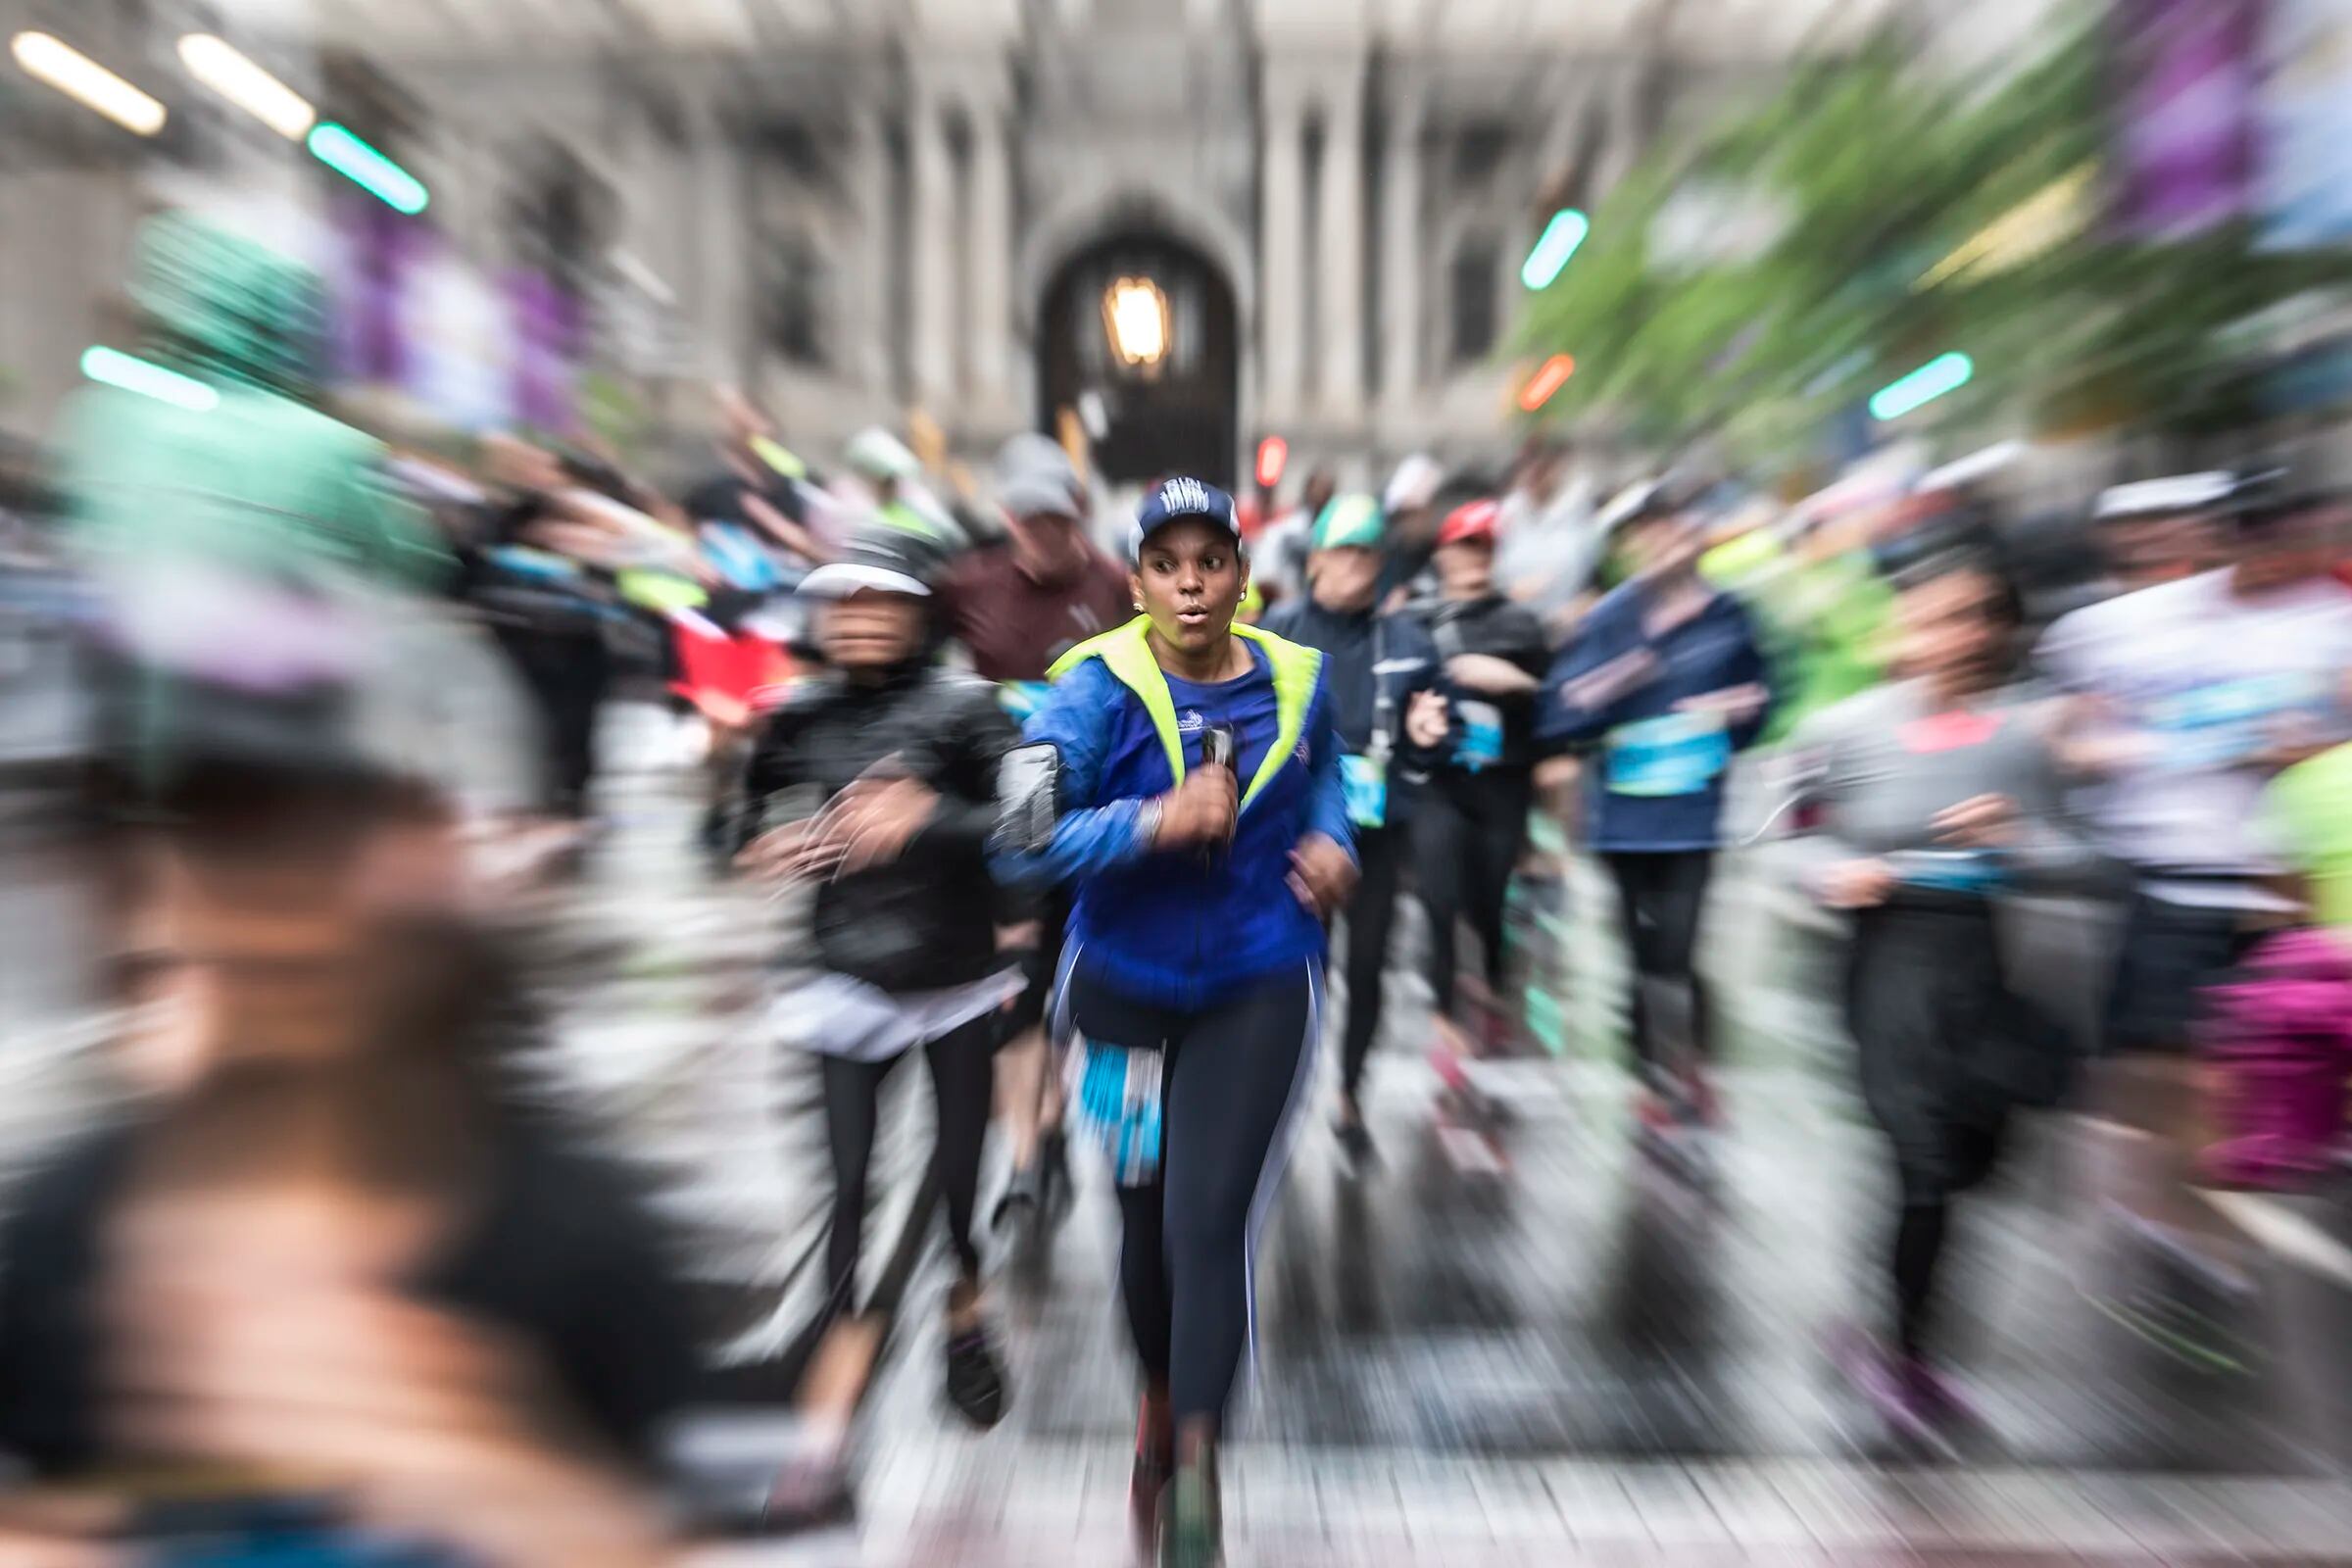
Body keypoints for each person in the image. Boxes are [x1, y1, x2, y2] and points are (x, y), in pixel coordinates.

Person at [993, 476, 1355, 1567]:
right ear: (1138, 579)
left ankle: (1197, 1463)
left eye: (1212, 562)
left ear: (1243, 574)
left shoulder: (1299, 675)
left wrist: (1338, 843)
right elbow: (1016, 839)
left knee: (1210, 1223)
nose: (1191, 586)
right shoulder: (1087, 689)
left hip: (1259, 979)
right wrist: (1152, 822)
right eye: (1167, 565)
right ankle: (1156, 1399)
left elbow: (1328, 774)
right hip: (1119, 993)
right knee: (1143, 1227)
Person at [1784, 546, 2099, 1446]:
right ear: (1902, 627)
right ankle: (1906, 1353)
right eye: (1932, 617)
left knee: (1976, 1161)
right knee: (1920, 1158)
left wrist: (2021, 834)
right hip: (1882, 963)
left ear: (2000, 630)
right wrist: (1833, 871)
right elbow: (1781, 840)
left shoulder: (2021, 738)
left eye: (1972, 618)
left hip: (1981, 966)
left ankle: (1879, 1318)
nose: (1952, 637)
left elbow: (2094, 866)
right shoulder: (1844, 729)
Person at [2036, 485, 2352, 1342]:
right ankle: (2179, 1207)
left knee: (2249, 1063)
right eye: (2248, 534)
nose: (2271, 552)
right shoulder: (2139, 624)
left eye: (2291, 531)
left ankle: (2212, 1200)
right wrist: (2111, 749)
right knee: (2165, 1060)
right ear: (2220, 539)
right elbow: (2067, 731)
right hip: (2172, 872)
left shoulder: (2335, 617)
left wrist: (2314, 748)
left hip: (2300, 882)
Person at [737, 529, 1022, 1434]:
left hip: (957, 981)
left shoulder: (972, 708)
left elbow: (1039, 821)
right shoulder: (795, 718)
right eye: (842, 603)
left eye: (881, 602)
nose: (857, 621)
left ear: (920, 612)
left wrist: (930, 818)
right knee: (847, 1178)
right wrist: (760, 845)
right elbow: (736, 823)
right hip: (844, 980)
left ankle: (964, 1311)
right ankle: (838, 1332)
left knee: (959, 1180)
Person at [934, 444, 1132, 1226]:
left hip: (1092, 794)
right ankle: (1029, 1150)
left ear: (1077, 516)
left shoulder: (1116, 587)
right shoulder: (971, 584)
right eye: (1031, 520)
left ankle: (1049, 1128)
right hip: (1012, 794)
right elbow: (908, 641)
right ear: (1010, 519)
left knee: (1067, 973)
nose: (1046, 535)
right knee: (1018, 971)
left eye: (1059, 519)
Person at [1539, 488, 1774, 1131]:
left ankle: (1694, 1062)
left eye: (1674, 528)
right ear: (1632, 546)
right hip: (1623, 816)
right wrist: (1616, 682)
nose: (1664, 542)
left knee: (1679, 946)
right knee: (1640, 954)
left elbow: (1767, 692)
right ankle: (1647, 1074)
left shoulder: (1730, 614)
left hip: (1695, 811)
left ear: (1696, 534)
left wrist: (1741, 711)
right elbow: (1560, 711)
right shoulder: (1610, 618)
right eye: (1648, 534)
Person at [1261, 494, 1449, 1165]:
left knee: (1366, 968)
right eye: (1343, 551)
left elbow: (1438, 736)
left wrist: (1429, 738)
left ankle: (1348, 1097)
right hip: (1300, 831)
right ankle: (1277, 1093)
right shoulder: (1279, 632)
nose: (1356, 566)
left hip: (1375, 830)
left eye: (1368, 552)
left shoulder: (1408, 642)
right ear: (1315, 561)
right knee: (1296, 967)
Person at [1413, 501, 1551, 1081]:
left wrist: (1515, 680)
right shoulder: (1416, 622)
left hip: (1501, 784)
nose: (1475, 558)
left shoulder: (1520, 624)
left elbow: (1558, 702)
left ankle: (1492, 980)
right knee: (1439, 900)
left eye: (1485, 547)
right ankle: (1445, 1012)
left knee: (1487, 903)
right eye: (1465, 546)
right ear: (1444, 554)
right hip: (1438, 785)